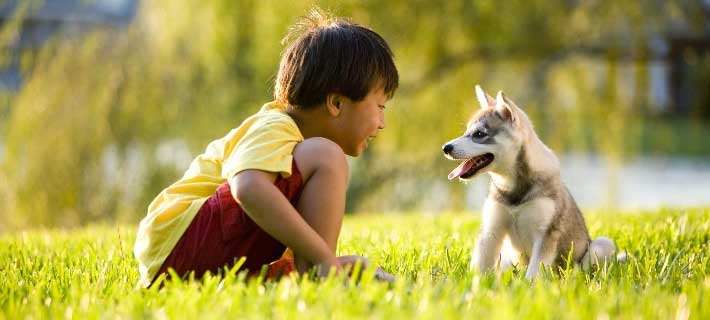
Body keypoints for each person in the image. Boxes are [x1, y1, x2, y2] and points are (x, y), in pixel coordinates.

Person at [133, 8, 399, 288]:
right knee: (328, 156)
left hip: (182, 260)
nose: (382, 123)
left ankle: (313, 275)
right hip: (180, 243)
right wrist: (324, 259)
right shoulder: (276, 125)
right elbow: (247, 187)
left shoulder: (295, 157)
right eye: (380, 107)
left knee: (319, 162)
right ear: (336, 104)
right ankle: (321, 273)